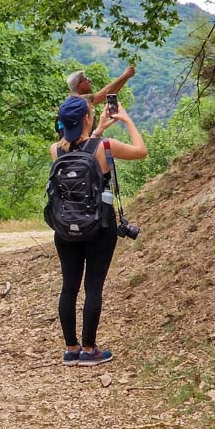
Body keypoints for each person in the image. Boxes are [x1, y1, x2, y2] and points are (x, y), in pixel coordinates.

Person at [50, 95, 146, 366]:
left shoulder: (55, 150)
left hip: (65, 228)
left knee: (69, 286)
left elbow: (78, 145)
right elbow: (141, 150)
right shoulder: (105, 146)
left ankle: (71, 349)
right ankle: (90, 349)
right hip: (99, 226)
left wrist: (98, 128)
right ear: (87, 119)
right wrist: (125, 119)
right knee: (93, 286)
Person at [56, 65, 135, 137]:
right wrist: (125, 75)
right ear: (79, 84)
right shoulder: (82, 99)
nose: (89, 81)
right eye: (86, 79)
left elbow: (111, 92)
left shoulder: (70, 101)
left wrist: (126, 77)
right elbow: (105, 93)